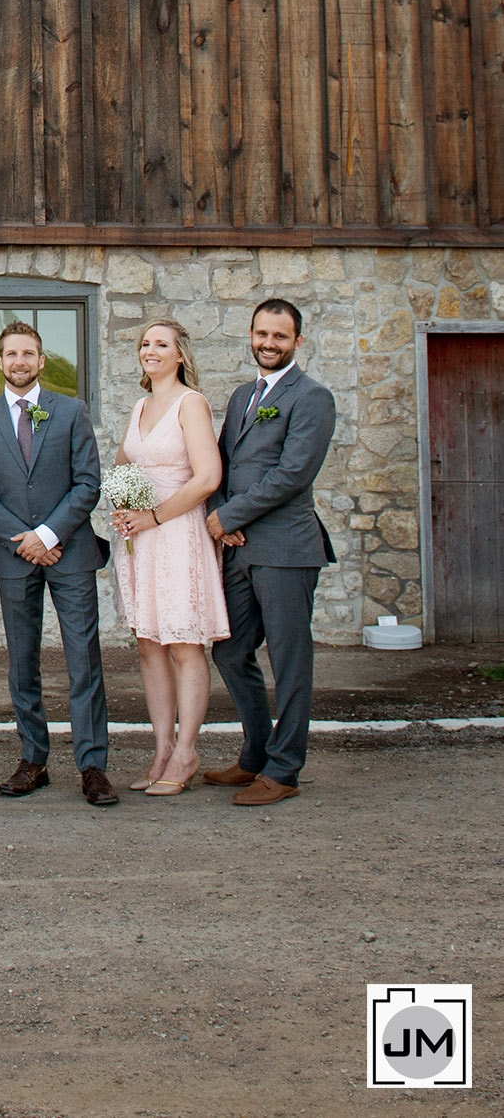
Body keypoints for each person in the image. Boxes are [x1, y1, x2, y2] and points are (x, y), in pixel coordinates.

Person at [0, 320, 118, 807]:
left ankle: (93, 765)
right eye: (11, 354)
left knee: (83, 660)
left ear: (42, 360)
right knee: (21, 662)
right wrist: (25, 542)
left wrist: (49, 534)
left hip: (69, 552)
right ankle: (33, 758)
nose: (19, 362)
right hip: (16, 558)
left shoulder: (71, 411)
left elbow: (87, 484)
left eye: (28, 354)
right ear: (0, 361)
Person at [204, 297, 336, 807]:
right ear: (252, 335)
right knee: (231, 650)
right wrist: (219, 514)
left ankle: (284, 770)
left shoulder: (313, 397)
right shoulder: (242, 396)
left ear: (297, 342)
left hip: (286, 548)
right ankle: (255, 755)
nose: (269, 343)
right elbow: (220, 462)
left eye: (280, 337)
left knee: (289, 659)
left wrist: (230, 516)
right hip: (239, 549)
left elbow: (293, 474)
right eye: (262, 334)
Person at [110, 321, 229, 794]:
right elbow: (122, 465)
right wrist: (121, 503)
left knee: (183, 642)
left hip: (176, 532)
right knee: (149, 643)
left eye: (161, 344)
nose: (150, 350)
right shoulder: (140, 406)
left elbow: (207, 478)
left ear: (180, 355)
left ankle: (186, 752)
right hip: (139, 535)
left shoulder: (191, 403)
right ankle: (160, 748)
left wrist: (154, 516)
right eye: (144, 343)